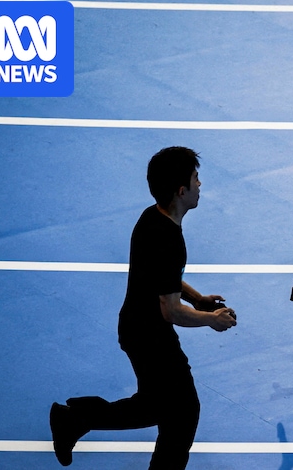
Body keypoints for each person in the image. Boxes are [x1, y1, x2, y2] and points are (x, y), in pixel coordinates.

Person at [50, 146, 237, 468]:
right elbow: (171, 311)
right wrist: (211, 319)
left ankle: (75, 418)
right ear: (181, 191)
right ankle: (76, 417)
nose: (200, 184)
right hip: (149, 336)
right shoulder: (168, 239)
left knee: (162, 407)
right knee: (181, 411)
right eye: (195, 178)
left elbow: (164, 279)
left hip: (139, 328)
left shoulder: (153, 217)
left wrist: (197, 298)